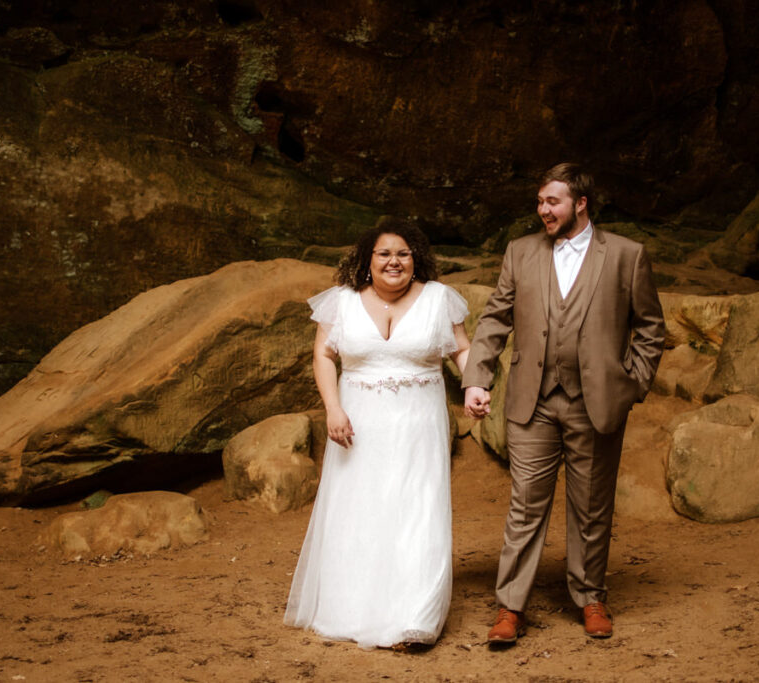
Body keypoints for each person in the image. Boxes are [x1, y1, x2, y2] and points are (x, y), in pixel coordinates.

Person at [462, 163, 665, 644]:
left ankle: (591, 597)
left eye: (551, 202)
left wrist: (630, 383)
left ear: (580, 203)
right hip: (531, 402)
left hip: (595, 404)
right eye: (539, 202)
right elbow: (494, 319)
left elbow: (651, 329)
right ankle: (510, 607)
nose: (542, 211)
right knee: (525, 506)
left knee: (592, 506)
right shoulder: (521, 252)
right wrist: (477, 377)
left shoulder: (625, 256)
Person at [285, 221, 471, 650]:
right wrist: (333, 408)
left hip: (418, 424)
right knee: (360, 510)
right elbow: (324, 354)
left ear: (416, 259)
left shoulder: (439, 299)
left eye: (403, 254)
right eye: (384, 253)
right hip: (357, 424)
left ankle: (416, 617)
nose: (394, 261)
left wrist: (474, 384)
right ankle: (351, 608)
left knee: (417, 509)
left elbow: (461, 348)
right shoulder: (342, 302)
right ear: (367, 260)